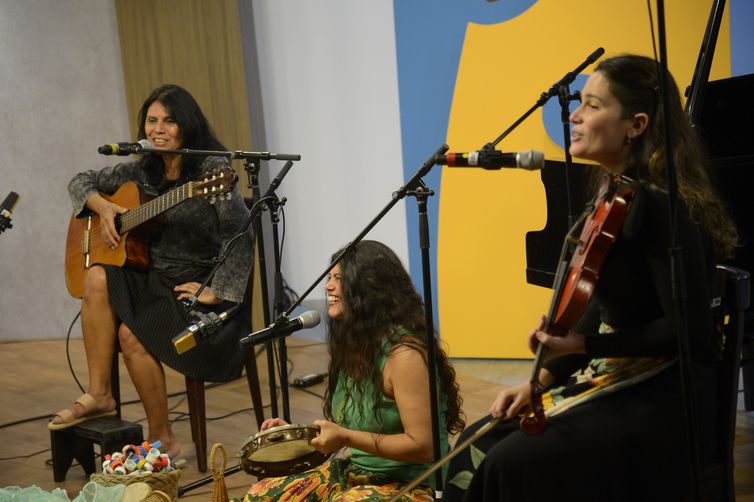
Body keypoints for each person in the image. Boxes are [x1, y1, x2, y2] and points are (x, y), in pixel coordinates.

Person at [443, 54, 739, 501]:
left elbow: (689, 333)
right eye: (580, 103)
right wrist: (538, 381)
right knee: (478, 439)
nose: (575, 116)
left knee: (506, 462)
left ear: (635, 125)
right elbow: (600, 304)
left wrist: (586, 347)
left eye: (593, 106)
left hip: (662, 401)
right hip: (618, 373)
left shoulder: (663, 208)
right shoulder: (615, 192)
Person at [49, 84, 253, 459]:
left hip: (193, 287)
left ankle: (164, 439)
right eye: (152, 120)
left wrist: (217, 290)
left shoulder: (211, 169)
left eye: (169, 121)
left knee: (131, 335)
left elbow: (240, 232)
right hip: (151, 277)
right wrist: (105, 208)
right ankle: (100, 392)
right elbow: (80, 181)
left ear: (186, 126)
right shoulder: (140, 168)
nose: (158, 129)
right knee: (95, 274)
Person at [243, 240, 465, 501]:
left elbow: (422, 446)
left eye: (339, 278)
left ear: (369, 287)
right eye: (329, 277)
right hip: (356, 474)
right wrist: (300, 437)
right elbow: (350, 429)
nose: (328, 286)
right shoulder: (354, 347)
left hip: (414, 484)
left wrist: (344, 437)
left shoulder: (404, 356)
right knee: (263, 494)